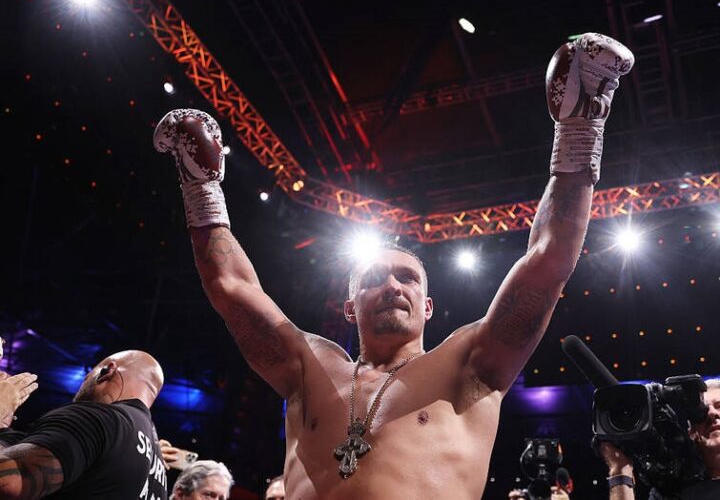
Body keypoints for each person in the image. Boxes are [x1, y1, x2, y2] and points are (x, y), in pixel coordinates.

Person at [153, 32, 633, 499]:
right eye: (373, 279)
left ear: (428, 306)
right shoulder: (309, 368)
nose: (391, 285)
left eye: (407, 278)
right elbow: (231, 289)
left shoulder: (469, 365)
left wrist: (579, 130)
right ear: (349, 307)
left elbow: (548, 261)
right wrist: (201, 188)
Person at [0, 350, 167, 499]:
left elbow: (8, 484)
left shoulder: (100, 419)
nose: (83, 383)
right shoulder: (159, 474)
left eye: (87, 376)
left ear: (107, 371)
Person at [601, 379, 720, 500]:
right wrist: (620, 470)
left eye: (719, 406)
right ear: (691, 433)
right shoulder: (671, 493)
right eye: (701, 412)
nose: (711, 413)